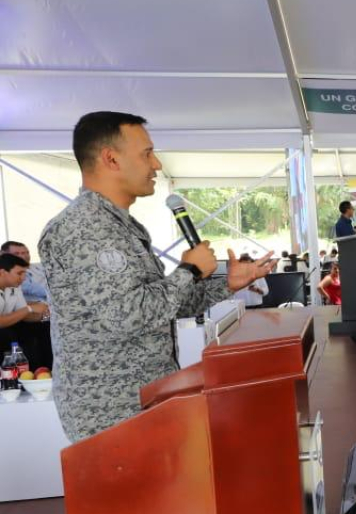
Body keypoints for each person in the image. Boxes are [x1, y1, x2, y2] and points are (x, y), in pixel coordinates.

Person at [38, 111, 275, 441]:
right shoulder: (83, 228)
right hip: (112, 413)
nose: (157, 164)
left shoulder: (118, 226)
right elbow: (129, 316)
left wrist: (227, 284)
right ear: (111, 159)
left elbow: (162, 307)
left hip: (147, 400)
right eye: (147, 153)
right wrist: (189, 270)